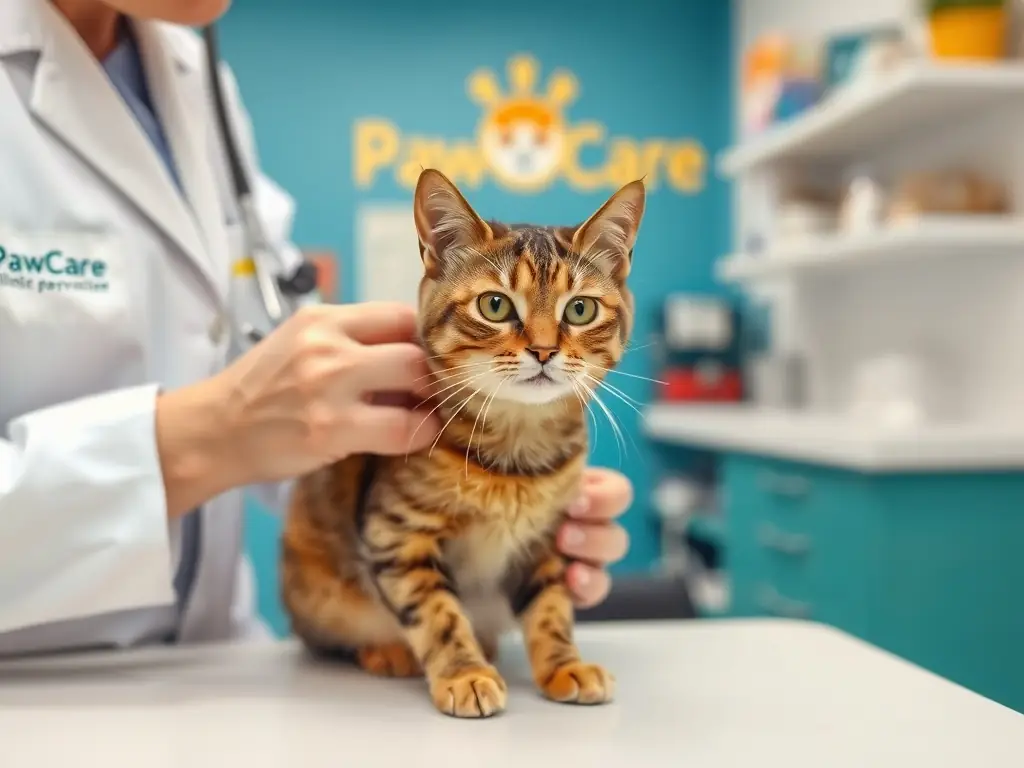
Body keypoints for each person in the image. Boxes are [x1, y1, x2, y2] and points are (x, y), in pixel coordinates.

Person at [0, 0, 633, 655]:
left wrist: (491, 490)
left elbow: (247, 337)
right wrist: (207, 439)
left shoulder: (196, 76)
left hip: (217, 661)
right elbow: (241, 415)